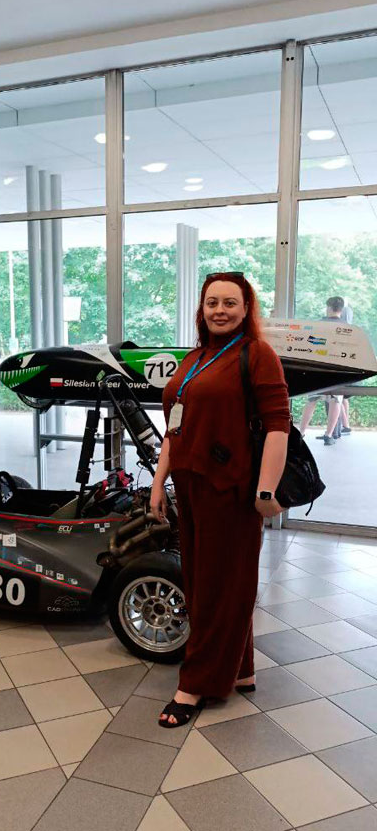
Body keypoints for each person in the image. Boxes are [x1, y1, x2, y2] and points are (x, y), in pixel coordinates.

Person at [150, 272, 290, 727]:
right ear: (202, 308)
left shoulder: (257, 354)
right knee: (208, 582)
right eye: (212, 302)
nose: (220, 311)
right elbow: (174, 426)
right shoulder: (195, 358)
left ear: (246, 309)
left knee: (218, 587)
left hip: (230, 490)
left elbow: (278, 425)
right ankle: (240, 669)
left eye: (230, 302)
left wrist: (266, 491)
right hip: (191, 487)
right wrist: (159, 482)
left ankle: (195, 684)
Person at [299, 295, 348, 445]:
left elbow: (311, 342)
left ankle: (301, 432)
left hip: (319, 367)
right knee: (336, 400)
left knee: (312, 399)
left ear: (328, 307)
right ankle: (328, 435)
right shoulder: (347, 327)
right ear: (341, 309)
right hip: (338, 368)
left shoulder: (319, 325)